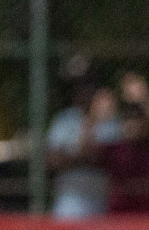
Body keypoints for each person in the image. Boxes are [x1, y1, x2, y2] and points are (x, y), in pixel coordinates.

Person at [47, 83, 120, 218]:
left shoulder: (110, 122)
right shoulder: (65, 119)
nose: (86, 94)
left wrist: (73, 157)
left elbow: (109, 159)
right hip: (69, 202)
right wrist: (84, 157)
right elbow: (52, 161)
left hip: (101, 203)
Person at [103, 73, 149, 214]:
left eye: (138, 119)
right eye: (129, 118)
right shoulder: (115, 145)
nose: (133, 123)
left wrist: (143, 99)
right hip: (119, 215)